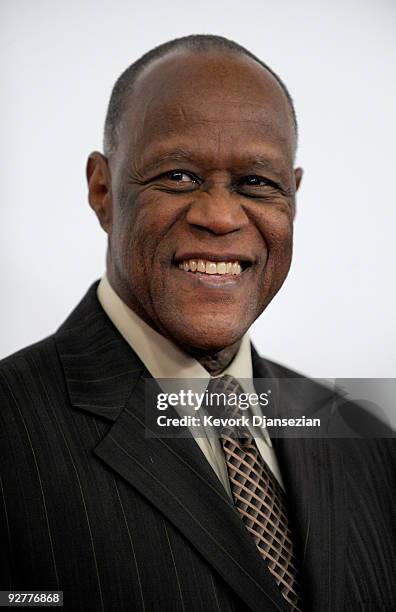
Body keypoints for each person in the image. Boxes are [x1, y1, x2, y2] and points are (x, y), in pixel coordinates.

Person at [0, 35, 395, 612]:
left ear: (294, 196)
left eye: (257, 183)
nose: (219, 216)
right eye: (179, 176)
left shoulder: (363, 432)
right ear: (102, 189)